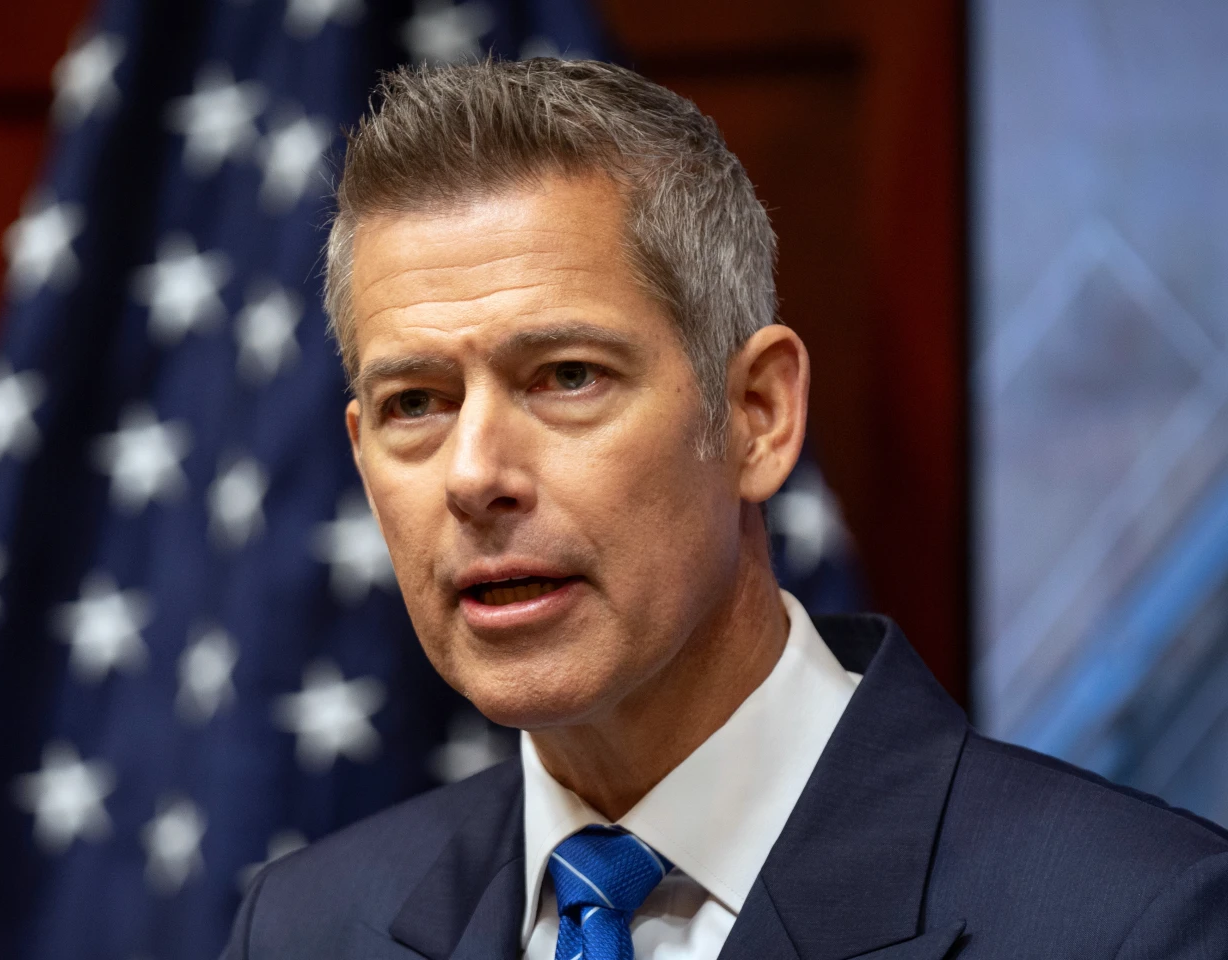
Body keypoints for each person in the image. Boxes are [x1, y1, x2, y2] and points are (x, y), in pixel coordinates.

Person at [221, 58, 1228, 960]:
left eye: (567, 376)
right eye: (415, 404)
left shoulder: (1136, 921)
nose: (474, 475)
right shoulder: (303, 930)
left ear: (758, 416)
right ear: (362, 456)